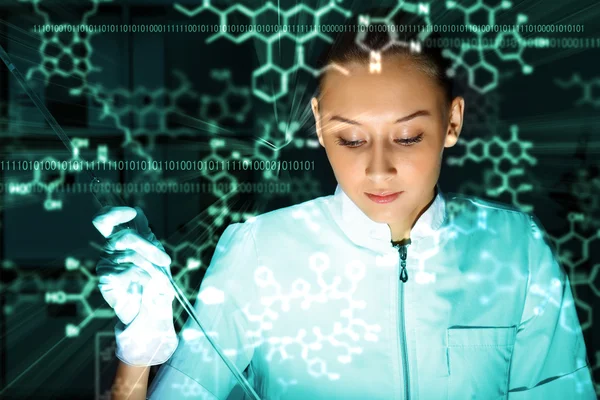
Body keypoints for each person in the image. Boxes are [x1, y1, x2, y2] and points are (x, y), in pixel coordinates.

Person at [93, 7, 597, 400]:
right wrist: (138, 351)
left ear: (452, 122)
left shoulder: (515, 250)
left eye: (407, 137)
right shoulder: (258, 251)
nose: (378, 170)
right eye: (352, 140)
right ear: (317, 122)